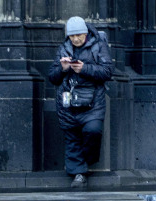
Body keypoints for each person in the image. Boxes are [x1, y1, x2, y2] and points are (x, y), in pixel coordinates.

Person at [48, 17, 115, 189]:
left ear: (86, 33)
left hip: (92, 101)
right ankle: (79, 175)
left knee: (93, 130)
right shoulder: (64, 48)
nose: (76, 39)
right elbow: (53, 77)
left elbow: (108, 71)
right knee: (71, 136)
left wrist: (84, 68)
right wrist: (63, 69)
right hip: (68, 101)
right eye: (72, 36)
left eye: (79, 35)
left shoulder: (99, 44)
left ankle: (87, 161)